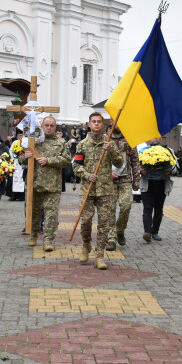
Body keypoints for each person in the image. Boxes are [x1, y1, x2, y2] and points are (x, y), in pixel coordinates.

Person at [72, 112, 123, 270]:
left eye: (99, 122)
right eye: (93, 122)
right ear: (89, 124)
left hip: (106, 190)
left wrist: (111, 151)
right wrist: (87, 175)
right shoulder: (82, 145)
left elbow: (120, 163)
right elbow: (76, 166)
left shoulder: (110, 144)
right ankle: (86, 245)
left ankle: (99, 255)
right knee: (86, 221)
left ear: (103, 125)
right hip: (88, 189)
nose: (96, 124)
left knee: (104, 224)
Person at [18, 116, 71, 251]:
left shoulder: (61, 142)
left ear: (55, 127)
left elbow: (66, 160)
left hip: (53, 185)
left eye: (51, 126)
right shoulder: (33, 140)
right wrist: (26, 156)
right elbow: (20, 159)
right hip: (34, 183)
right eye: (46, 125)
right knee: (34, 212)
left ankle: (48, 240)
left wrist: (49, 160)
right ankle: (33, 235)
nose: (48, 128)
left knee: (51, 214)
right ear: (42, 126)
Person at [108, 125, 140, 249]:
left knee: (126, 206)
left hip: (125, 179)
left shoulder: (129, 138)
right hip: (109, 180)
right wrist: (107, 173)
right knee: (109, 210)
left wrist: (136, 181)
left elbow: (135, 161)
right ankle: (111, 239)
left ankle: (120, 230)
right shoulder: (105, 138)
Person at [139, 137, 176, 242]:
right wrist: (141, 170)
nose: (155, 138)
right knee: (147, 208)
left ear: (161, 137)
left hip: (162, 184)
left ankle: (155, 232)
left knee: (159, 210)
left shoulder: (169, 150)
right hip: (147, 184)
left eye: (157, 136)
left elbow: (176, 166)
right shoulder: (143, 151)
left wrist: (170, 170)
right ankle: (147, 232)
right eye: (153, 136)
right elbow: (135, 165)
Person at [7, 129, 25, 201]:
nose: (20, 137)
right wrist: (12, 159)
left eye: (21, 135)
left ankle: (21, 196)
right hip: (15, 162)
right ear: (17, 135)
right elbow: (11, 151)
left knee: (21, 179)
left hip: (23, 163)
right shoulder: (15, 142)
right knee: (14, 179)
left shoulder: (26, 142)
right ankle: (13, 195)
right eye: (19, 135)